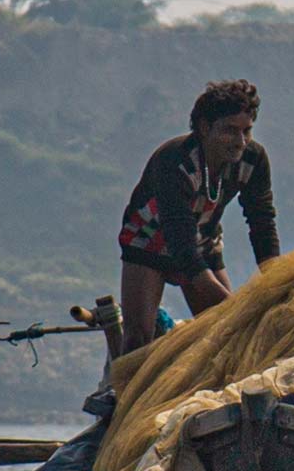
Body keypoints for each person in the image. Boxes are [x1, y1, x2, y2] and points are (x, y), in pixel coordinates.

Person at [116, 79, 279, 353]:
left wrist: (277, 284)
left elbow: (261, 221)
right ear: (205, 128)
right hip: (148, 241)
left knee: (226, 337)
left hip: (203, 240)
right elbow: (180, 243)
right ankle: (125, 392)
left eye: (247, 131)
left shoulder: (253, 160)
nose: (240, 142)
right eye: (230, 130)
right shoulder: (174, 161)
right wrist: (237, 308)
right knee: (138, 340)